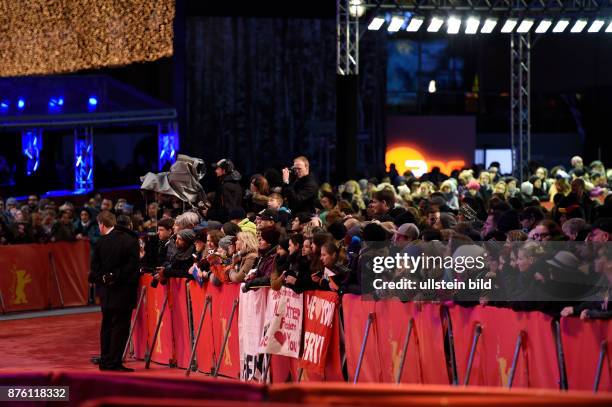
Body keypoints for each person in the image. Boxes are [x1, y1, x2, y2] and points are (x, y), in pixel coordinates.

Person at [88, 210, 139, 372]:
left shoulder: (99, 243)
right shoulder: (129, 241)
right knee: (120, 328)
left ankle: (105, 360)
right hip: (123, 292)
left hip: (105, 293)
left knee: (107, 326)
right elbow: (132, 267)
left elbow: (94, 270)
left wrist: (104, 278)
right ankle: (114, 362)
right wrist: (114, 276)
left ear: (102, 224)